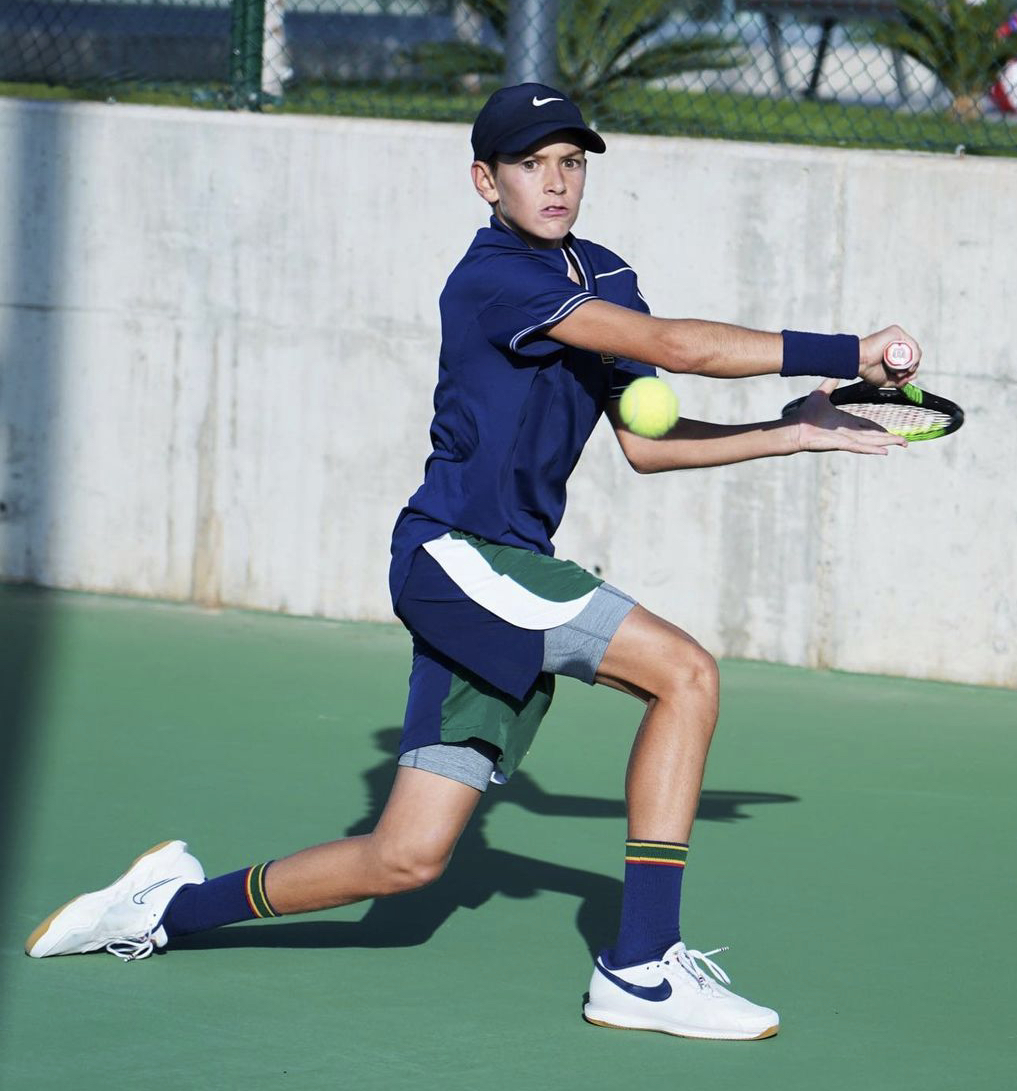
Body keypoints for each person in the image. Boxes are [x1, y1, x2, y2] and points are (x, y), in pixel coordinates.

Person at [25, 83, 920, 1042]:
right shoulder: (494, 278)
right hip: (459, 554)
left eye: (571, 161)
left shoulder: (605, 274)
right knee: (686, 675)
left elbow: (648, 443)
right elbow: (670, 347)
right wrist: (848, 350)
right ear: (483, 181)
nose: (556, 180)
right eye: (531, 163)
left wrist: (793, 434)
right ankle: (641, 968)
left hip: (492, 570)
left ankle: (164, 908)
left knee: (403, 858)